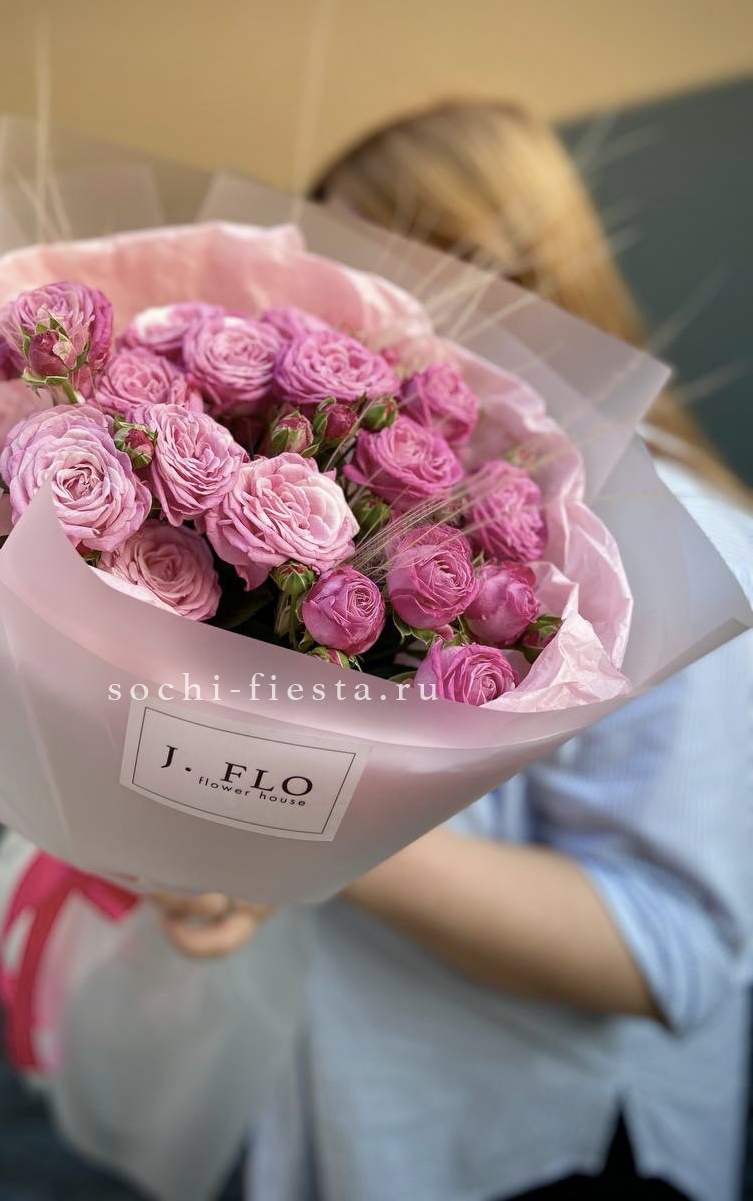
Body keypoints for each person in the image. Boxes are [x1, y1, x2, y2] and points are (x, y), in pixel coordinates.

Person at [152, 99, 753, 1201]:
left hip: (544, 1144)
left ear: (502, 266)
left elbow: (673, 950)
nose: (343, 317)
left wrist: (294, 817)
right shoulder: (364, 508)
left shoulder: (685, 548)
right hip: (354, 1116)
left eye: (378, 270)